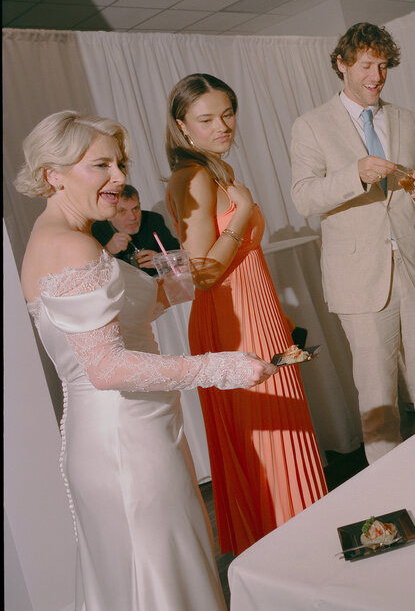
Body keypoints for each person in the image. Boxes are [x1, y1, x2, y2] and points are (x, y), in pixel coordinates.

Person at [17, 110, 275, 611]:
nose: (118, 178)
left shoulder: (59, 238)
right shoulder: (71, 246)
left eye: (120, 164)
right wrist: (219, 367)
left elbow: (111, 322)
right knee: (161, 577)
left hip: (129, 429)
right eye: (101, 165)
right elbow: (107, 367)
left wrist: (170, 288)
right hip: (125, 437)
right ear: (53, 174)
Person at [165, 73, 327, 556]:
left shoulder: (216, 171)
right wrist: (241, 214)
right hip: (232, 317)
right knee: (270, 437)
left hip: (257, 309)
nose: (223, 126)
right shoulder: (193, 176)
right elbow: (202, 273)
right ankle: (289, 552)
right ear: (182, 126)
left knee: (280, 432)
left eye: (228, 114)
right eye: (207, 119)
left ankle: (297, 547)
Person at [290, 22, 415, 464]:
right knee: (378, 399)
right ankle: (388, 490)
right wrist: (354, 174)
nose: (376, 76)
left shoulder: (406, 119)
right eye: (365, 65)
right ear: (341, 65)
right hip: (359, 281)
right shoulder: (310, 126)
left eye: (382, 66)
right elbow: (304, 198)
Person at [90, 184, 179, 276]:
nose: (132, 217)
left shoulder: (153, 219)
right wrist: (108, 250)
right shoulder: (97, 229)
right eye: (122, 211)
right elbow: (92, 273)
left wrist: (162, 260)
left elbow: (179, 254)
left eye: (135, 209)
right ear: (109, 214)